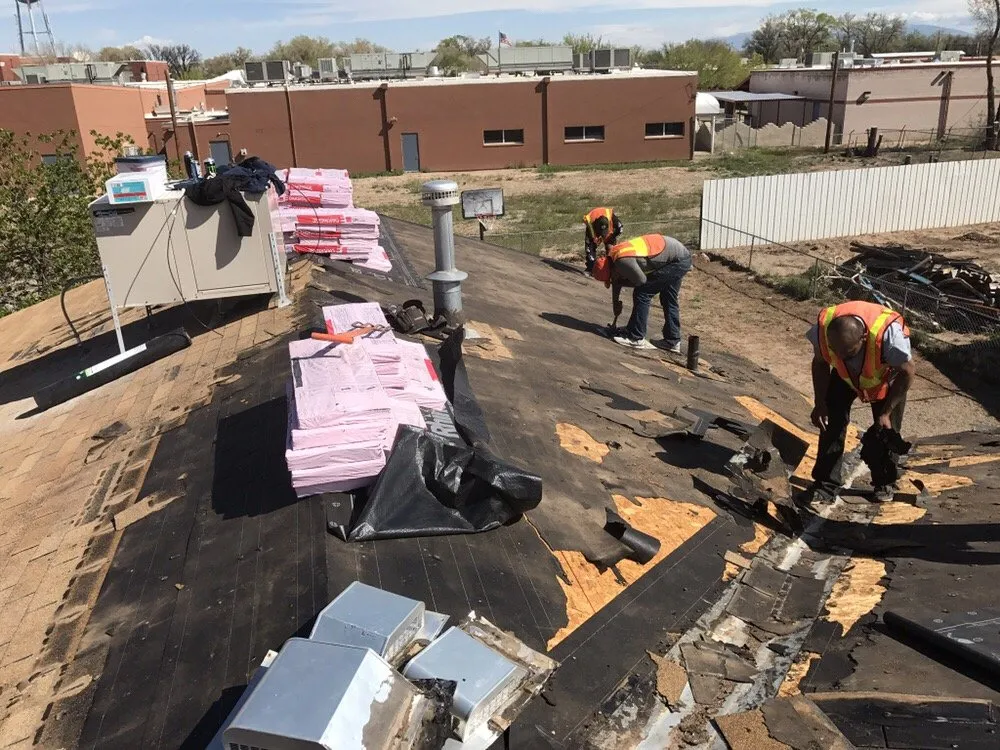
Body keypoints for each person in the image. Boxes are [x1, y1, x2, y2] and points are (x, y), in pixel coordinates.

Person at [806, 301, 915, 503]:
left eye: (848, 353)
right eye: (835, 351)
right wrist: (820, 403)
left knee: (885, 432)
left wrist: (885, 412)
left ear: (864, 338)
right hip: (845, 376)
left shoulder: (889, 337)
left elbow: (907, 373)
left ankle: (884, 483)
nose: (840, 357)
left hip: (885, 377)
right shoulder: (822, 331)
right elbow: (820, 363)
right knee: (830, 420)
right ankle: (825, 484)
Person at [591, 234, 692, 352]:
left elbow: (641, 281)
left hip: (676, 260)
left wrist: (622, 283)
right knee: (668, 297)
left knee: (642, 293)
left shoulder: (623, 261)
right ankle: (672, 341)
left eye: (611, 278)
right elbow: (617, 282)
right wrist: (615, 304)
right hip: (676, 255)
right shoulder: (614, 255)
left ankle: (636, 337)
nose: (612, 280)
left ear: (612, 270)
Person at [583, 207, 624, 272]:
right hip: (594, 227)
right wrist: (592, 265)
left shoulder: (611, 216)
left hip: (609, 231)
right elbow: (589, 248)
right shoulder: (590, 225)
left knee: (611, 248)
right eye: (602, 235)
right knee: (590, 246)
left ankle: (612, 267)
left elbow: (620, 228)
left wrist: (613, 235)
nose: (603, 237)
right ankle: (591, 268)